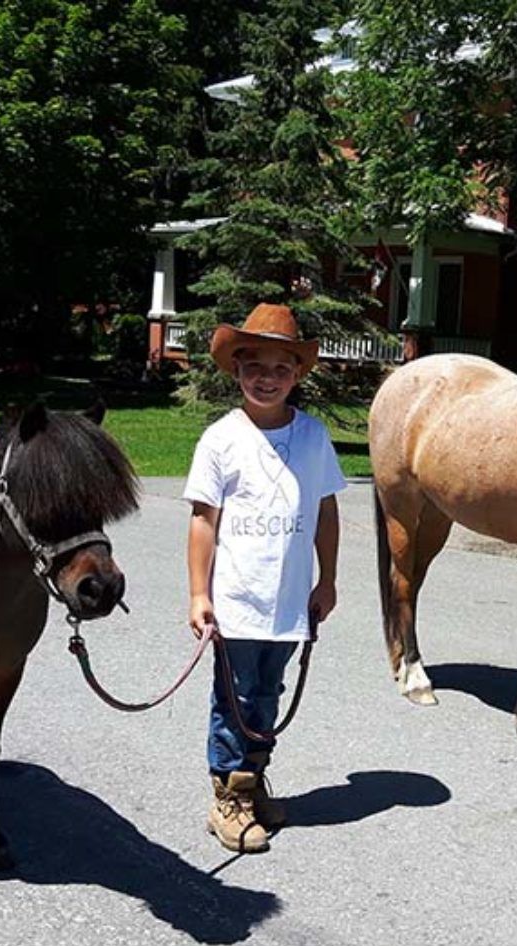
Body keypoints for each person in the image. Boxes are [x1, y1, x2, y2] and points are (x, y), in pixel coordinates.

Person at [182, 303, 345, 853]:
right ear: (237, 371)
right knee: (234, 699)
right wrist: (200, 594)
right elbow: (204, 522)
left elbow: (325, 511)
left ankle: (252, 782)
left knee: (268, 694)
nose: (267, 378)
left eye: (281, 368)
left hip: (289, 600)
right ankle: (227, 798)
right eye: (256, 367)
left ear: (297, 374)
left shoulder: (313, 437)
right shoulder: (221, 439)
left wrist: (327, 581)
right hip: (236, 600)